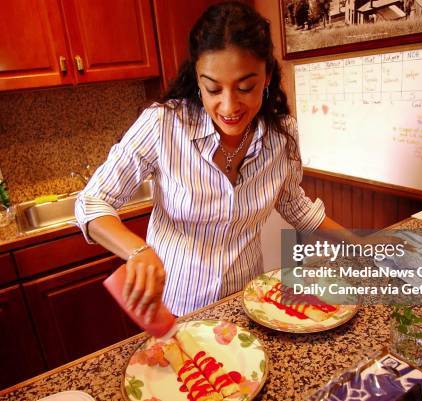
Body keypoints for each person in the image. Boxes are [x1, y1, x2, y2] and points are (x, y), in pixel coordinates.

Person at [75, 1, 381, 323]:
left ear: (266, 77)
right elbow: (92, 202)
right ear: (197, 80)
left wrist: (366, 250)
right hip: (175, 307)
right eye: (213, 89)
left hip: (245, 303)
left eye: (245, 87)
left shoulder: (281, 134)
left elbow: (296, 207)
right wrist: (137, 251)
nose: (229, 105)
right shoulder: (164, 124)